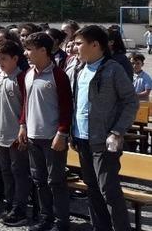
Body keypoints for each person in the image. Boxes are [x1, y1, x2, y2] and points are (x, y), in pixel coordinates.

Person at [70, 25, 139, 231]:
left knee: (109, 191)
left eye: (79, 43)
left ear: (95, 45)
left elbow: (131, 101)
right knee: (92, 189)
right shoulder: (79, 69)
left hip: (104, 141)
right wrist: (72, 133)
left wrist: (117, 131)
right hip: (82, 139)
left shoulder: (113, 69)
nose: (74, 47)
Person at [18, 32, 72, 231]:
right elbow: (26, 103)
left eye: (29, 49)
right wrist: (23, 125)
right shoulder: (28, 74)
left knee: (56, 181)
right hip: (33, 136)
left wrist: (62, 133)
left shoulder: (59, 75)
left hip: (52, 138)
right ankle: (46, 219)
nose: (25, 53)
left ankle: (61, 222)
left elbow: (66, 108)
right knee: (39, 181)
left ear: (43, 51)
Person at [0, 40, 30, 227]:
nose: (0, 62)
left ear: (15, 58)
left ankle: (20, 208)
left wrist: (23, 127)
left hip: (16, 134)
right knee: (5, 170)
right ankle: (9, 202)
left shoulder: (22, 78)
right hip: (0, 132)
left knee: (18, 171)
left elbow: (26, 106)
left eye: (4, 58)